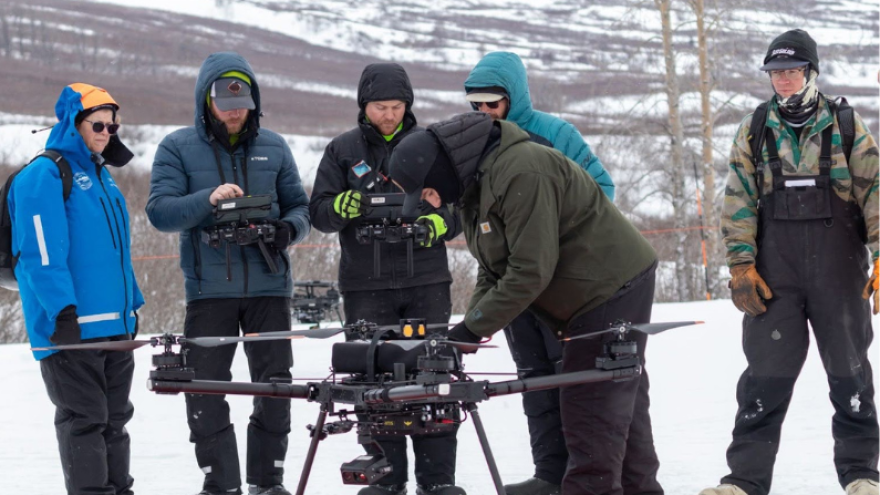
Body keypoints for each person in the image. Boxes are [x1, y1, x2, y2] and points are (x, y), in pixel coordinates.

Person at [390, 112, 664, 495]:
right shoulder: (475, 187)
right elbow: (494, 266)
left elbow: (530, 270)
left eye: (426, 193)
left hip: (608, 285)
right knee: (619, 399)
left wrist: (474, 328)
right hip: (582, 290)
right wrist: (471, 325)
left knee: (591, 403)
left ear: (438, 171)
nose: (429, 203)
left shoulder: (521, 171)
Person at [700, 29, 879, 495]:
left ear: (810, 73)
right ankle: (743, 481)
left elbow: (875, 192)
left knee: (850, 372)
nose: (783, 80)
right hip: (773, 273)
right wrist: (741, 265)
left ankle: (862, 474)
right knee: (764, 378)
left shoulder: (844, 125)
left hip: (839, 271)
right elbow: (737, 198)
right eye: (776, 73)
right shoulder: (755, 127)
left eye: (792, 71)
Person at [146, 52, 310, 495]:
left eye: (243, 101)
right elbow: (159, 213)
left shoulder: (274, 146)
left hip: (270, 290)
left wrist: (286, 230)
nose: (235, 110)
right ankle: (221, 484)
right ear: (205, 100)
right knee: (203, 390)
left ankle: (267, 481)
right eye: (224, 100)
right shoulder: (177, 147)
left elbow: (300, 207)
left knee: (276, 390)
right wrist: (209, 200)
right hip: (208, 293)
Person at [463, 50, 617, 495]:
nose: (484, 113)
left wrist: (556, 237)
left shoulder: (555, 133)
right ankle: (549, 473)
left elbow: (601, 189)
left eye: (492, 103)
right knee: (533, 380)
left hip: (565, 285)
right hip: (517, 283)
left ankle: (584, 475)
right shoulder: (477, 140)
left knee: (572, 379)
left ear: (514, 96)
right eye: (476, 105)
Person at [309, 62, 464, 495]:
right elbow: (318, 212)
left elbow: (462, 208)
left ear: (408, 105)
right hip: (365, 284)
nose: (390, 115)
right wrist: (342, 207)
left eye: (397, 106)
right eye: (380, 107)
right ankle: (386, 480)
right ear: (364, 106)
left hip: (427, 281)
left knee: (433, 376)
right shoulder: (342, 150)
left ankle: (437, 482)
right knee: (372, 381)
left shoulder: (432, 146)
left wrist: (439, 224)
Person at [9, 83, 143, 495]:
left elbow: (116, 253)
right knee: (85, 421)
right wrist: (60, 311)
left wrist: (132, 308)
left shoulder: (103, 177)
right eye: (97, 124)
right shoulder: (44, 174)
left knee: (115, 422)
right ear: (73, 123)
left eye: (112, 125)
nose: (107, 132)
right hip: (70, 328)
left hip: (113, 327)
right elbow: (40, 252)